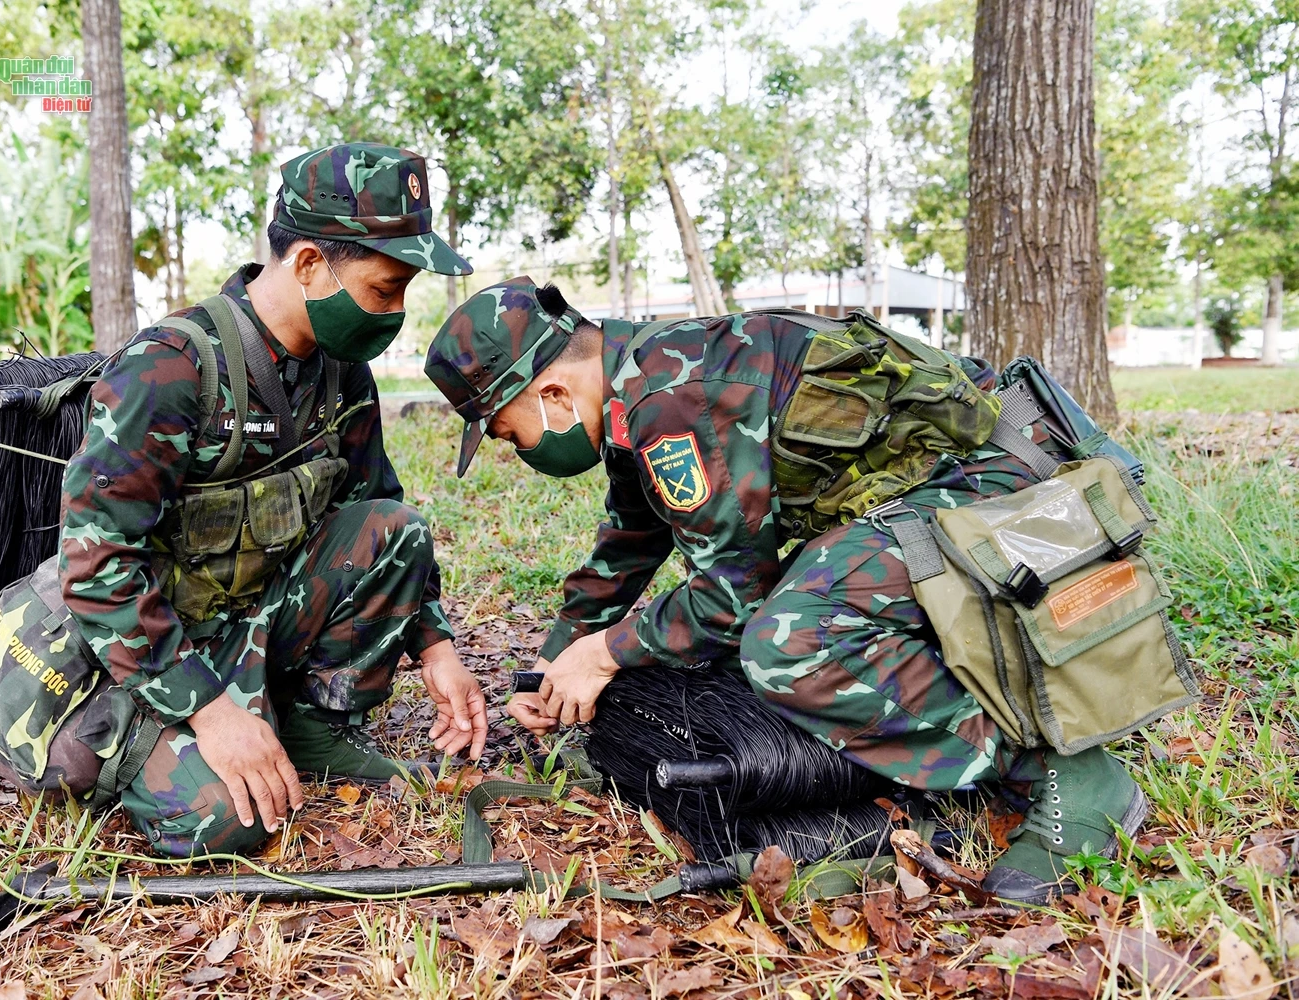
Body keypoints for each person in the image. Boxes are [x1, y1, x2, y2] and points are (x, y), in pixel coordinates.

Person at [423, 276, 1158, 901]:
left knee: (790, 637)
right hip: (949, 487)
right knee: (808, 601)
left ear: (550, 392)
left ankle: (1070, 777)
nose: (513, 448)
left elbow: (734, 595)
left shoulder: (669, 399)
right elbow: (630, 543)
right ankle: (958, 729)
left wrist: (607, 655)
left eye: (504, 431)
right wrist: (556, 663)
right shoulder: (636, 381)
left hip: (1005, 485)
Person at [60, 143, 488, 858]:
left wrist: (436, 648)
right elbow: (96, 564)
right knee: (231, 822)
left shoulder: (341, 375)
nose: (396, 311)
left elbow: (373, 506)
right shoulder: (171, 368)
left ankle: (316, 727)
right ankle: (175, 736)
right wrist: (209, 708)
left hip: (256, 618)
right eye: (385, 289)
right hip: (155, 646)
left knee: (397, 528)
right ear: (311, 265)